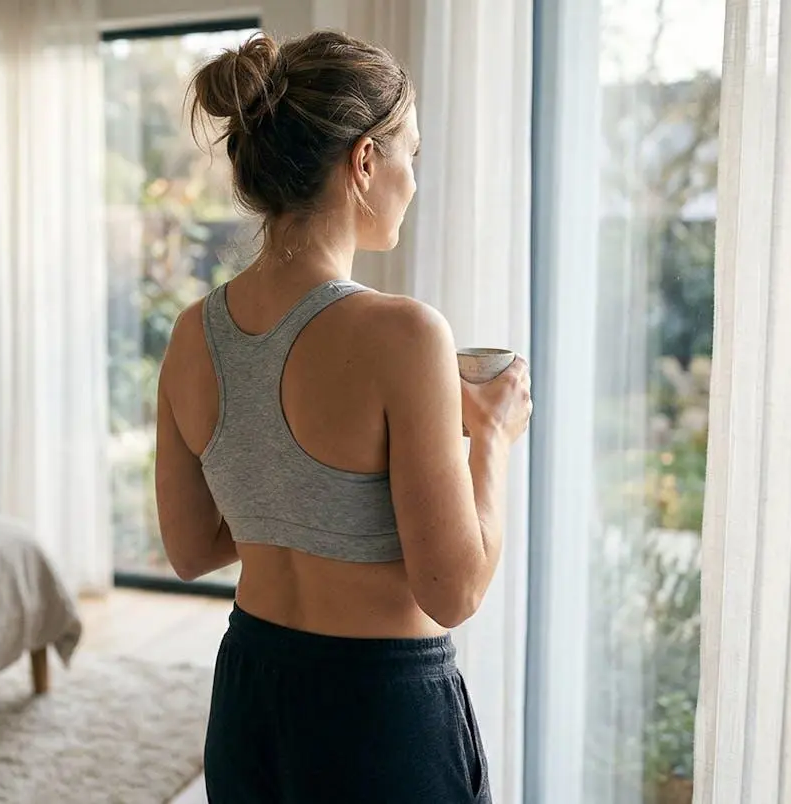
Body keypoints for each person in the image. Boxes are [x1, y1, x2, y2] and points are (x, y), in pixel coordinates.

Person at [152, 30, 532, 803]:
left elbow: (191, 549)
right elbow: (452, 591)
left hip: (252, 693)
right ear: (364, 161)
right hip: (377, 714)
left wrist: (300, 496)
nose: (413, 182)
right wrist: (489, 437)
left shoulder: (194, 332)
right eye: (409, 157)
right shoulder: (404, 334)